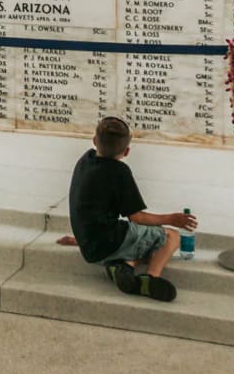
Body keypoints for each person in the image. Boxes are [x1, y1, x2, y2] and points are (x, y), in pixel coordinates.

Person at [68, 115, 197, 302]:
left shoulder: (85, 160)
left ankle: (123, 267)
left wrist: (79, 239)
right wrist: (170, 219)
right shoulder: (119, 171)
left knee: (140, 242)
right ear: (127, 151)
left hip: (90, 246)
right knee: (171, 237)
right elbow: (137, 217)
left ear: (95, 141)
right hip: (109, 241)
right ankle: (151, 278)